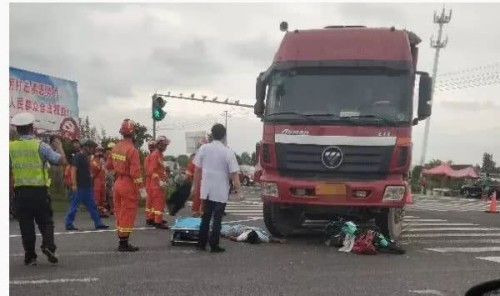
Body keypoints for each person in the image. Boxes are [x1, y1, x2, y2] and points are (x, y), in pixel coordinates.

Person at [9, 112, 68, 266]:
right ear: (32, 128)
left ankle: (30, 257)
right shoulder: (40, 146)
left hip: (20, 192)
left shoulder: (10, 147)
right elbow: (62, 161)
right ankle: (48, 245)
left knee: (26, 225)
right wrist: (60, 147)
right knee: (46, 222)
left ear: (17, 129)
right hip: (39, 192)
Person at [193, 124, 241, 253]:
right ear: (224, 136)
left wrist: (194, 187)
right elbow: (234, 174)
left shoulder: (203, 149)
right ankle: (214, 245)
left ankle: (201, 243)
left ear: (212, 134)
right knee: (217, 219)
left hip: (206, 189)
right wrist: (239, 192)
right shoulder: (227, 151)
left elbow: (197, 169)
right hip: (220, 190)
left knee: (205, 217)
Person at [108, 119, 148, 252]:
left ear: (122, 132)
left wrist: (117, 173)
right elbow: (135, 172)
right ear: (133, 133)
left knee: (119, 212)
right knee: (128, 213)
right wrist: (141, 189)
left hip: (117, 183)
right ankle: (124, 243)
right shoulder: (132, 150)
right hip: (128, 184)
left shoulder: (115, 147)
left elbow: (108, 166)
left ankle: (121, 239)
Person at [64, 139, 110, 231]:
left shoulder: (86, 157)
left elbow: (86, 171)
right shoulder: (78, 156)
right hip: (79, 186)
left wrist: (91, 176)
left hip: (87, 187)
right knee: (74, 205)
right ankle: (68, 224)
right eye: (92, 147)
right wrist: (74, 184)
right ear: (86, 147)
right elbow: (73, 170)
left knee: (92, 205)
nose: (93, 150)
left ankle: (98, 223)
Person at [147, 136, 170, 229]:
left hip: (158, 182)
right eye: (164, 145)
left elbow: (159, 169)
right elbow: (152, 171)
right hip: (156, 183)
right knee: (158, 203)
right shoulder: (155, 155)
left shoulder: (159, 155)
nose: (165, 147)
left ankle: (153, 219)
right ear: (159, 145)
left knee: (155, 203)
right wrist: (159, 181)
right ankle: (158, 221)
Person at [91, 145, 109, 217]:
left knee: (103, 197)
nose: (100, 152)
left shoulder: (103, 160)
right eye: (99, 150)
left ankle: (102, 212)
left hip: (103, 180)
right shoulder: (93, 159)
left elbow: (105, 170)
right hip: (96, 180)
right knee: (97, 197)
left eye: (101, 150)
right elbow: (96, 168)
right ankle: (95, 212)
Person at [220, 224, 285, 244]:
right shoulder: (244, 236)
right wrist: (227, 236)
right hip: (240, 229)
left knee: (224, 230)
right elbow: (234, 238)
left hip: (250, 229)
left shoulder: (261, 237)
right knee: (223, 231)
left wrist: (279, 240)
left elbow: (271, 239)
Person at [144, 140, 156, 226]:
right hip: (152, 180)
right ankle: (151, 218)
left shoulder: (148, 157)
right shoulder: (152, 157)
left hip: (149, 180)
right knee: (152, 200)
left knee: (150, 200)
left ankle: (151, 217)